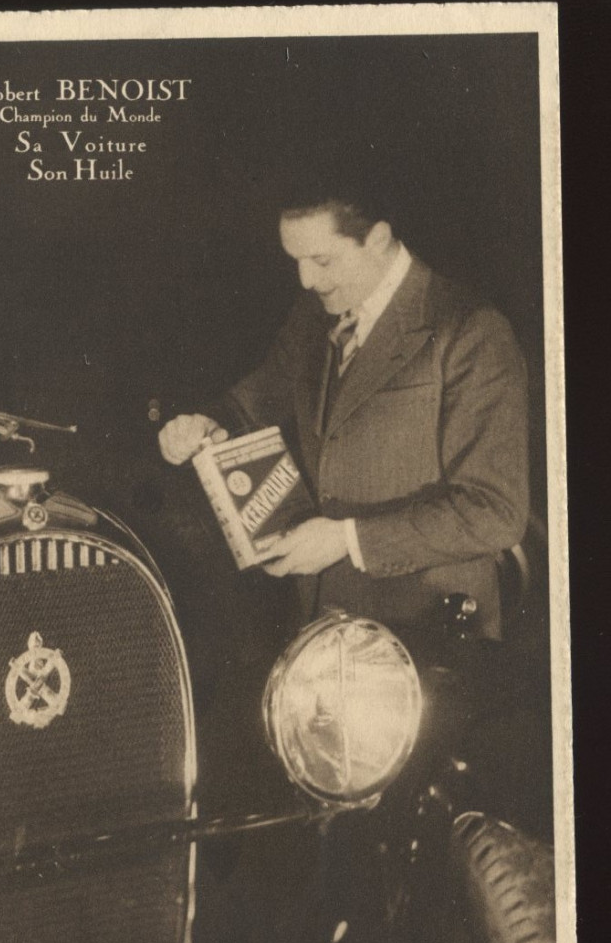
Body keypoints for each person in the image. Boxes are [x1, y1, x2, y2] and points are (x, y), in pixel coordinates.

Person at [159, 191, 529, 639]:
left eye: (321, 259)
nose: (305, 279)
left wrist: (346, 540)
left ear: (378, 239)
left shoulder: (470, 331)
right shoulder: (313, 317)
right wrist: (204, 424)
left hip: (431, 632)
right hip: (323, 624)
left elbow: (495, 511)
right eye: (294, 259)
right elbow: (252, 404)